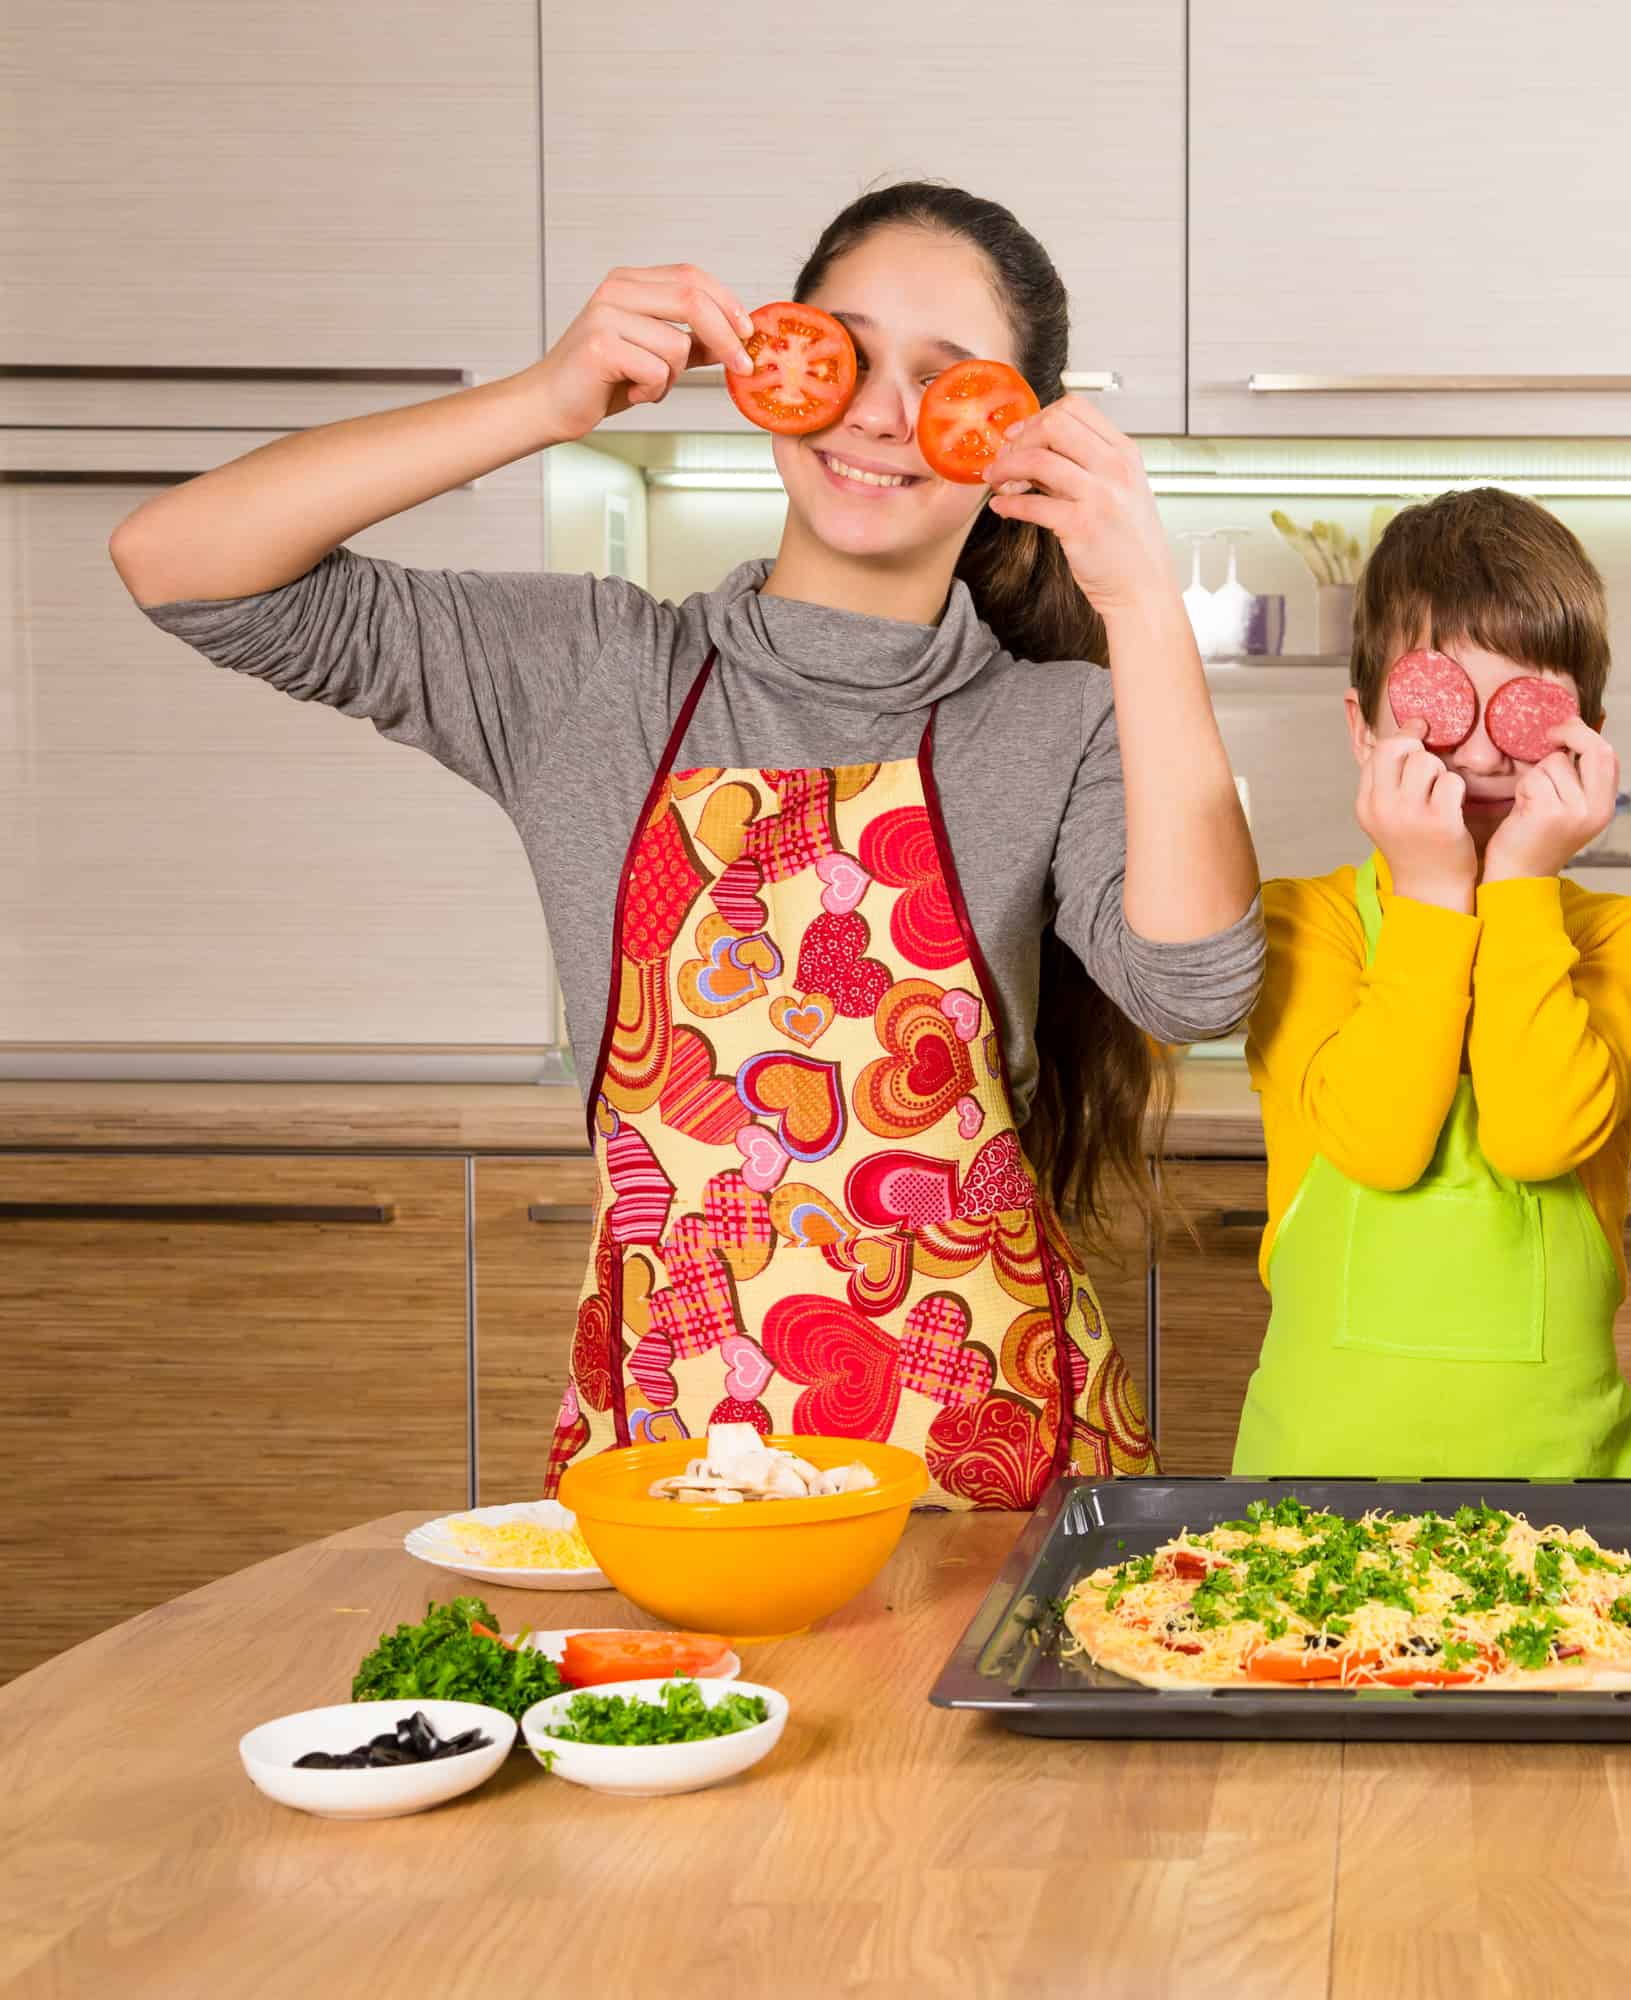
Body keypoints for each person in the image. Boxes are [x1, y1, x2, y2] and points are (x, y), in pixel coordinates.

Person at [108, 182, 1262, 1507]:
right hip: (675, 1468)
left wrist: (1140, 606)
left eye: (947, 384)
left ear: (1013, 443)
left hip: (984, 1467)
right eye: (840, 352)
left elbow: (1195, 984)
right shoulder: (596, 678)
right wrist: (546, 400)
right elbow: (177, 560)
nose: (881, 411)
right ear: (765, 366)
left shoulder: (1051, 718)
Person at [1230, 490, 1631, 1476]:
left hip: (1574, 1498)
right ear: (1364, 728)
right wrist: (1435, 893)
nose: (1479, 750)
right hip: (1309, 1493)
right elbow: (1379, 1145)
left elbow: (1534, 1135)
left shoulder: (1626, 936)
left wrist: (1517, 880)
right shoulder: (1298, 922)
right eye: (1436, 709)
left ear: (1588, 737)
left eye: (1525, 712)